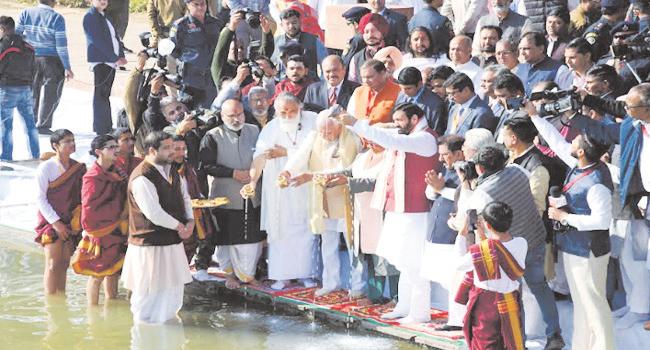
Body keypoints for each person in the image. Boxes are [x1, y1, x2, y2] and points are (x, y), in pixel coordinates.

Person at [340, 103, 439, 324]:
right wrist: (357, 126)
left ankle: (420, 312)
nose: (397, 125)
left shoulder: (424, 139)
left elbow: (390, 139)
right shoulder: (407, 132)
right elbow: (386, 133)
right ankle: (403, 307)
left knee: (414, 263)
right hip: (398, 208)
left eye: (400, 121)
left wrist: (356, 123)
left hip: (416, 210)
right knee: (402, 261)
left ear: (415, 119)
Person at [527, 102, 616, 349]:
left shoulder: (597, 181)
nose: (571, 142)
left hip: (589, 251)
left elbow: (601, 221)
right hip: (574, 247)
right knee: (582, 304)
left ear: (581, 152)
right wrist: (535, 116)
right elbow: (555, 141)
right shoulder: (581, 164)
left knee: (594, 305)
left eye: (575, 142)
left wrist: (565, 218)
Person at [468, 144, 565, 349]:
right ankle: (554, 334)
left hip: (508, 250)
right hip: (535, 237)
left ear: (480, 169)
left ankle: (517, 339)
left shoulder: (481, 192)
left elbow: (471, 219)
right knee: (540, 287)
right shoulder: (518, 170)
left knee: (513, 295)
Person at [579, 83, 650, 330]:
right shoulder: (634, 123)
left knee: (641, 261)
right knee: (632, 257)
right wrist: (586, 102)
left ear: (647, 108)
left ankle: (642, 310)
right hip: (640, 199)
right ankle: (635, 305)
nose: (624, 109)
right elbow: (607, 127)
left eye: (631, 106)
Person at [240, 92, 318, 290]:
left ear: (300, 108)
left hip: (305, 184)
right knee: (280, 231)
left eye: (292, 111)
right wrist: (252, 181)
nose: (288, 115)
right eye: (283, 112)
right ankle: (281, 276)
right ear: (276, 111)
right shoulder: (272, 127)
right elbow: (259, 157)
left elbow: (316, 151)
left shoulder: (312, 121)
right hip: (279, 191)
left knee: (305, 229)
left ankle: (306, 274)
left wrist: (285, 152)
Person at [282, 110, 363, 297]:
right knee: (327, 244)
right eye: (322, 132)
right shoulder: (314, 136)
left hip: (346, 199)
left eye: (329, 131)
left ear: (339, 126)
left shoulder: (353, 137)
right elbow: (299, 157)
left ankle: (357, 286)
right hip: (322, 199)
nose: (325, 135)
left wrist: (314, 176)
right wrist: (288, 171)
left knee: (353, 246)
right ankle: (330, 282)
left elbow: (351, 169)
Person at [121, 131, 194, 324]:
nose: (173, 152)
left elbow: (186, 198)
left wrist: (191, 222)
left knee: (172, 292)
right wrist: (180, 226)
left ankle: (170, 338)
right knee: (148, 296)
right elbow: (153, 213)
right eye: (167, 148)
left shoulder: (173, 172)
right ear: (152, 150)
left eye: (174, 147)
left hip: (172, 242)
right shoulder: (142, 177)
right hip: (149, 245)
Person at [200, 99, 264, 288]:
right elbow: (206, 165)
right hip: (225, 197)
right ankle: (230, 275)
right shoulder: (212, 136)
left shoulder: (255, 130)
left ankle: (248, 276)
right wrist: (232, 173)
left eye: (239, 114)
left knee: (251, 239)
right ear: (222, 116)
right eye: (231, 116)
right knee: (225, 239)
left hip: (252, 196)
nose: (236, 119)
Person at [455, 201, 527, 350]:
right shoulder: (522, 243)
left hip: (485, 304)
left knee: (485, 343)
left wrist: (461, 236)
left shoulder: (480, 250)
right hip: (510, 301)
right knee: (510, 341)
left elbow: (460, 264)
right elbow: (498, 250)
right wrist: (483, 239)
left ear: (487, 225)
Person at [71, 135, 128, 305]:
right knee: (97, 274)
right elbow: (89, 207)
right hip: (101, 230)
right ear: (98, 152)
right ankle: (93, 314)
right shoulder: (92, 177)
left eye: (116, 146)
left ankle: (112, 304)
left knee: (113, 271)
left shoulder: (117, 170)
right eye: (110, 147)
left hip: (118, 227)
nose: (116, 150)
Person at [421, 134, 466, 331]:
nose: (440, 159)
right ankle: (453, 318)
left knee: (455, 279)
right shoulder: (445, 168)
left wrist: (440, 189)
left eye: (445, 155)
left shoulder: (466, 171)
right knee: (445, 279)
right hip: (437, 230)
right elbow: (430, 194)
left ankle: (458, 321)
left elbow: (463, 197)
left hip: (454, 235)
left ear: (458, 153)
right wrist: (435, 188)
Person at [35, 129, 87, 295]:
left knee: (64, 263)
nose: (72, 144)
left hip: (70, 220)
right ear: (55, 146)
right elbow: (40, 198)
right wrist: (56, 223)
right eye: (67, 141)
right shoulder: (46, 168)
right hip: (51, 221)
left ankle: (61, 297)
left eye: (73, 140)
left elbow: (82, 196)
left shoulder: (78, 168)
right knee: (52, 264)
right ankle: (51, 303)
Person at [16, 0, 73, 135]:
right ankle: (43, 125)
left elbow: (16, 36)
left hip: (30, 59)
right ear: (53, 2)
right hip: (52, 61)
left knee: (31, 93)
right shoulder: (57, 18)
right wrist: (67, 67)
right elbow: (61, 46)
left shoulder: (25, 13)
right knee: (51, 95)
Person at [83, 0, 127, 135]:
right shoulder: (90, 16)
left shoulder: (105, 15)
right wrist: (114, 57)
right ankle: (102, 128)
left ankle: (106, 126)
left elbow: (115, 37)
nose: (103, 1)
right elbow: (96, 40)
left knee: (105, 94)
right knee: (101, 95)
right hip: (101, 61)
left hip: (110, 61)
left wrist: (120, 54)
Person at [0, 16, 40, 164]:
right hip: (25, 89)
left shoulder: (4, 45)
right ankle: (35, 154)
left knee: (6, 125)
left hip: (7, 89)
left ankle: (6, 157)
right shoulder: (28, 46)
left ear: (2, 29)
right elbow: (34, 69)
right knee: (30, 124)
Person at [170, 0, 225, 108]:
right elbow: (173, 50)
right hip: (191, 78)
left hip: (212, 77)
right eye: (196, 4)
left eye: (203, 4)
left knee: (213, 109)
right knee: (189, 111)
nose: (200, 7)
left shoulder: (215, 23)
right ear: (188, 5)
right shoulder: (181, 26)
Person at [271, 8, 327, 77]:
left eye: (294, 22)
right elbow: (271, 66)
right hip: (283, 84)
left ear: (300, 22)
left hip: (309, 84)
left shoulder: (313, 40)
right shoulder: (276, 42)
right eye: (287, 24)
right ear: (282, 25)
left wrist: (321, 84)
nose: (291, 26)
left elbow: (325, 64)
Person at [346, 60, 401, 125]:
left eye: (370, 77)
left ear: (383, 73)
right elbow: (350, 117)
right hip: (358, 133)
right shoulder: (358, 91)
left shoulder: (398, 92)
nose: (366, 81)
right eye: (363, 77)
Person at [395, 67, 447, 135]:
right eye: (401, 88)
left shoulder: (435, 104)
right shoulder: (401, 95)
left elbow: (436, 132)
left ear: (420, 84)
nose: (404, 92)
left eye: (408, 88)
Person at [348, 13, 389, 84]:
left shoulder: (393, 54)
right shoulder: (356, 58)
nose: (370, 35)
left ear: (382, 31)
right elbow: (353, 84)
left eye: (374, 31)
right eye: (366, 32)